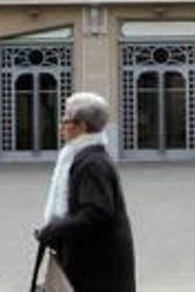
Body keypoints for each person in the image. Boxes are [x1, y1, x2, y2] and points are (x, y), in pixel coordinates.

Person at [37, 92, 135, 292]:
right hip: (95, 261)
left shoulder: (91, 163)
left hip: (98, 266)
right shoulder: (86, 157)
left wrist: (54, 230)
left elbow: (96, 213)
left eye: (66, 120)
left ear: (82, 126)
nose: (61, 126)